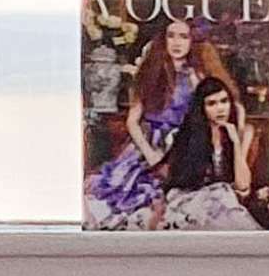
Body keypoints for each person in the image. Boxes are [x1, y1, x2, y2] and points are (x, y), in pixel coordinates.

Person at [87, 13, 213, 228]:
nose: (176, 42)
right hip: (148, 143)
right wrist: (150, 153)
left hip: (179, 143)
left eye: (183, 37)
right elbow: (132, 121)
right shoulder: (150, 74)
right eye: (171, 36)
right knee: (132, 192)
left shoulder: (195, 77)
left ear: (192, 42)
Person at [162, 67, 269, 231]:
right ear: (202, 108)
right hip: (191, 203)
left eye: (224, 101)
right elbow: (178, 182)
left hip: (223, 203)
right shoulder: (186, 137)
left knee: (227, 205)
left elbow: (243, 186)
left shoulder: (239, 134)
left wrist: (236, 142)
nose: (220, 108)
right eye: (212, 103)